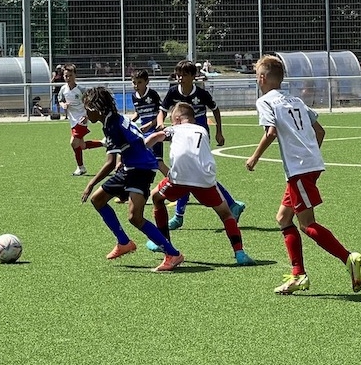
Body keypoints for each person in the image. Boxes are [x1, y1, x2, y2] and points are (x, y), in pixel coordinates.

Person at [245, 54, 361, 295]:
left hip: (299, 169)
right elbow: (320, 131)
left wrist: (254, 157)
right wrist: (310, 156)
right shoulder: (296, 100)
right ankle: (298, 275)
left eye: (257, 75)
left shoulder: (265, 101)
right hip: (310, 165)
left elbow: (270, 132)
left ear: (262, 78)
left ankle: (348, 258)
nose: (257, 80)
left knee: (307, 224)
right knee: (283, 218)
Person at [79, 87, 184, 272]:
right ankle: (123, 242)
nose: (86, 112)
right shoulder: (112, 119)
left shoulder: (112, 124)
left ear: (97, 108)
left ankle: (173, 254)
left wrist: (90, 183)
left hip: (141, 168)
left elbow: (110, 163)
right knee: (98, 200)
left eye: (87, 108)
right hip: (130, 167)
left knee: (135, 217)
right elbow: (122, 143)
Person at [144, 103, 254, 265]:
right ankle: (240, 253)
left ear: (177, 119)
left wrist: (140, 148)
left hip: (179, 177)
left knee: (156, 197)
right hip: (204, 179)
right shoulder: (202, 129)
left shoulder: (174, 129)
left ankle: (163, 243)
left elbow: (155, 137)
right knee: (226, 214)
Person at [157, 59, 246, 230]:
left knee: (188, 174)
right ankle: (232, 204)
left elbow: (215, 109)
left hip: (199, 139)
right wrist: (161, 123)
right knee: (192, 175)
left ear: (193, 76)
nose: (180, 78)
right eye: (178, 75)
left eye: (184, 75)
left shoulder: (201, 94)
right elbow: (162, 110)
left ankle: (179, 216)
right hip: (181, 138)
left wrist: (219, 131)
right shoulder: (173, 92)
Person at [57, 63, 104, 175]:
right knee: (81, 145)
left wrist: (87, 116)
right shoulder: (63, 89)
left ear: (75, 75)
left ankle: (81, 167)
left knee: (73, 143)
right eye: (66, 76)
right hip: (72, 120)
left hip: (82, 119)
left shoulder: (81, 90)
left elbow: (90, 103)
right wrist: (63, 105)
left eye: (70, 75)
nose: (68, 78)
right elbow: (60, 99)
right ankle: (103, 143)